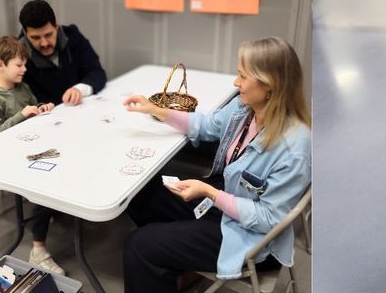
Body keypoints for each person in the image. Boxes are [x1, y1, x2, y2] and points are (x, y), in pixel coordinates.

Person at [121, 37, 310, 293]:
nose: (236, 82)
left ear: (270, 84)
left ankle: (161, 257)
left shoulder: (294, 148)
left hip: (251, 236)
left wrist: (210, 193)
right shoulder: (245, 108)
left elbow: (267, 219)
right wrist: (155, 109)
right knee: (140, 192)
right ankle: (171, 263)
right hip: (225, 201)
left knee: (140, 246)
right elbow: (206, 126)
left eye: (243, 76)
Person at [0, 36, 62, 274]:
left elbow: (33, 111)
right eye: (19, 65)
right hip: (10, 159)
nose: (24, 69)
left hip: (31, 150)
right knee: (46, 185)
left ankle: (54, 208)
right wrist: (22, 115)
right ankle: (38, 250)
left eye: (24, 64)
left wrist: (42, 108)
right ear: (0, 64)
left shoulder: (22, 88)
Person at [19, 0, 106, 105]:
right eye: (35, 38)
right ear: (25, 33)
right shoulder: (17, 55)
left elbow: (97, 72)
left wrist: (79, 89)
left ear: (56, 25)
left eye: (48, 35)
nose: (44, 43)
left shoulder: (72, 35)